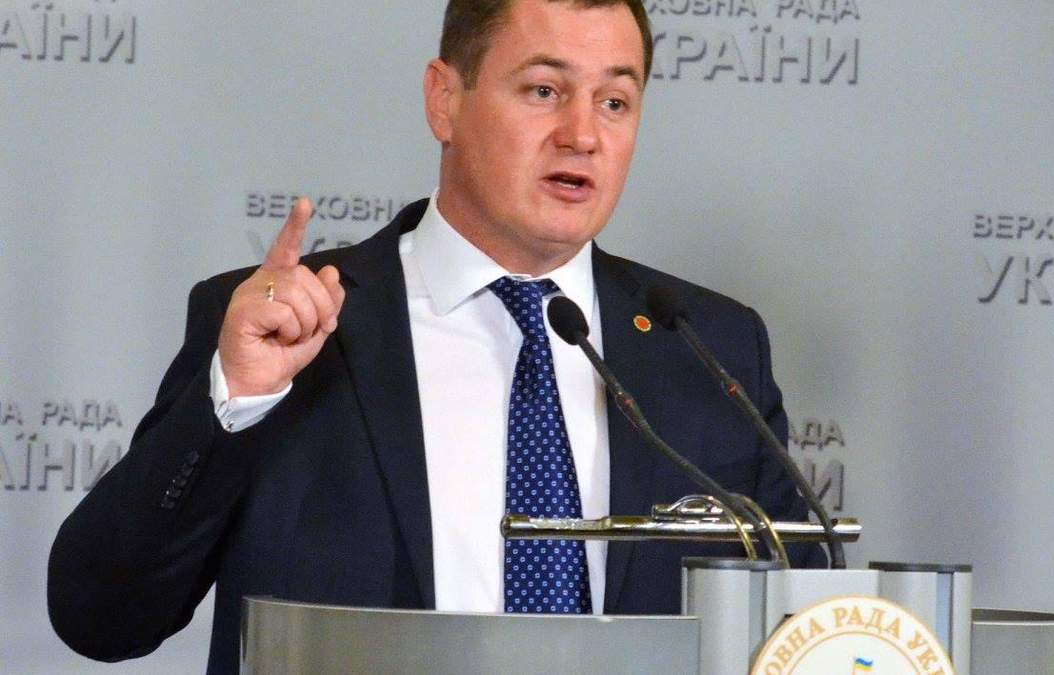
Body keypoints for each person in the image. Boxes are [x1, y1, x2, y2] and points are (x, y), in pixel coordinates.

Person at [47, 1, 825, 673]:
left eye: (615, 102)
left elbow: (804, 631)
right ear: (444, 100)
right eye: (544, 90)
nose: (583, 134)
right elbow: (101, 616)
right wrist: (237, 399)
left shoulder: (710, 348)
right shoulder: (294, 329)